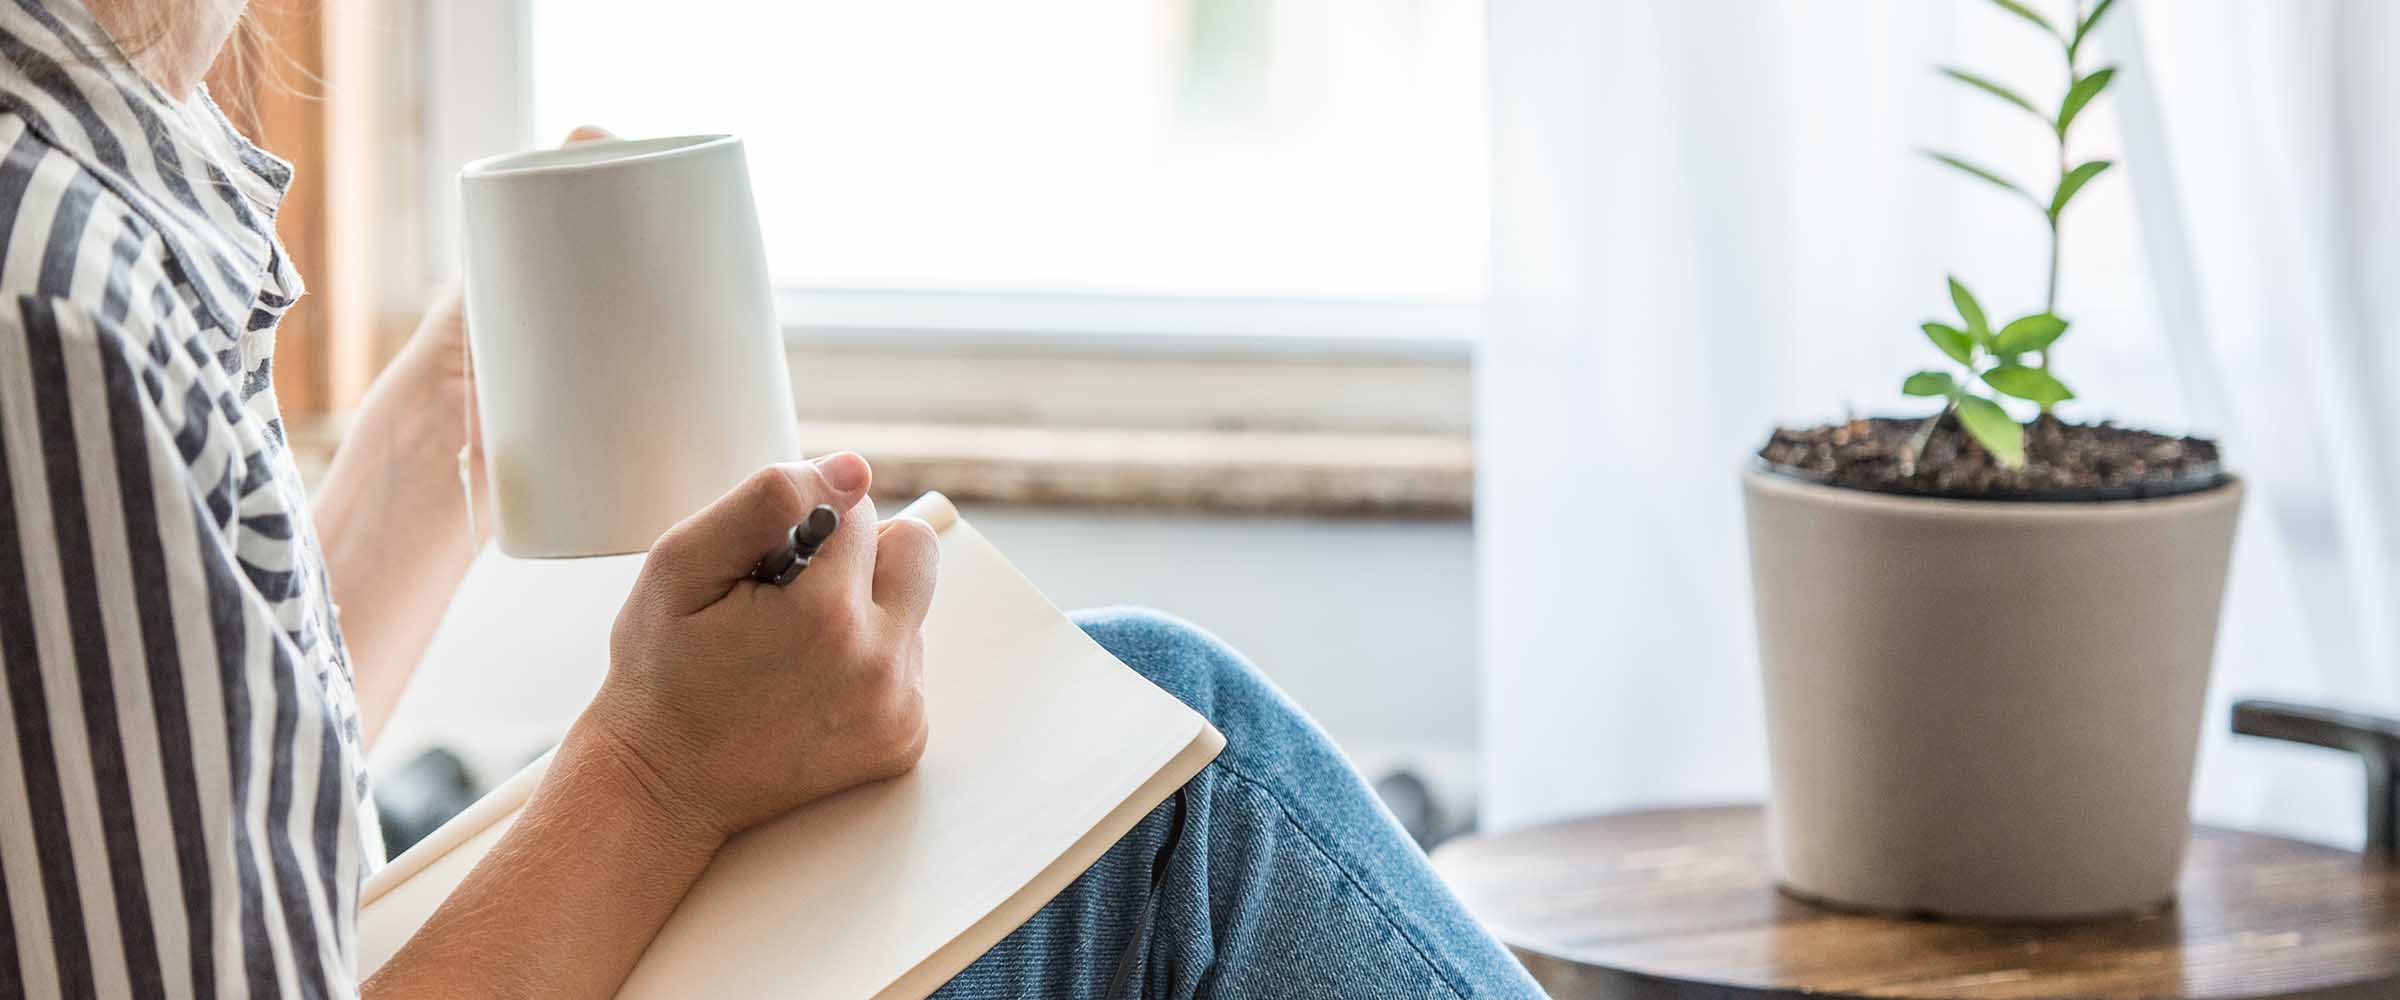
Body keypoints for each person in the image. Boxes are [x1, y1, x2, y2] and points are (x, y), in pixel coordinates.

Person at [0, 1, 1547, 997]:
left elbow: (171, 817)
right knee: (1187, 791)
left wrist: (444, 442)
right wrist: (657, 769)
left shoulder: (92, 195)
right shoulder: (57, 302)